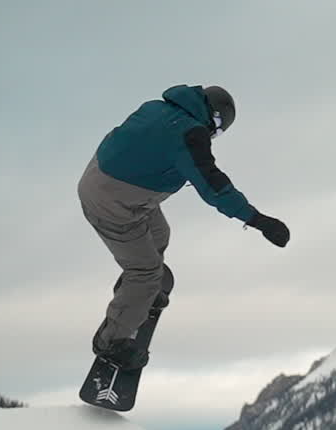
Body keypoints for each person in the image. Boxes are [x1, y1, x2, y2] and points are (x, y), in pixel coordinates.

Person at [77, 84, 290, 369]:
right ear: (214, 119)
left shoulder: (157, 108)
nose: (214, 135)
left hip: (104, 181)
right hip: (112, 202)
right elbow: (214, 186)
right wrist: (258, 220)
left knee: (159, 234)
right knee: (145, 271)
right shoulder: (190, 134)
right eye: (218, 130)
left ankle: (136, 295)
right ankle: (111, 341)